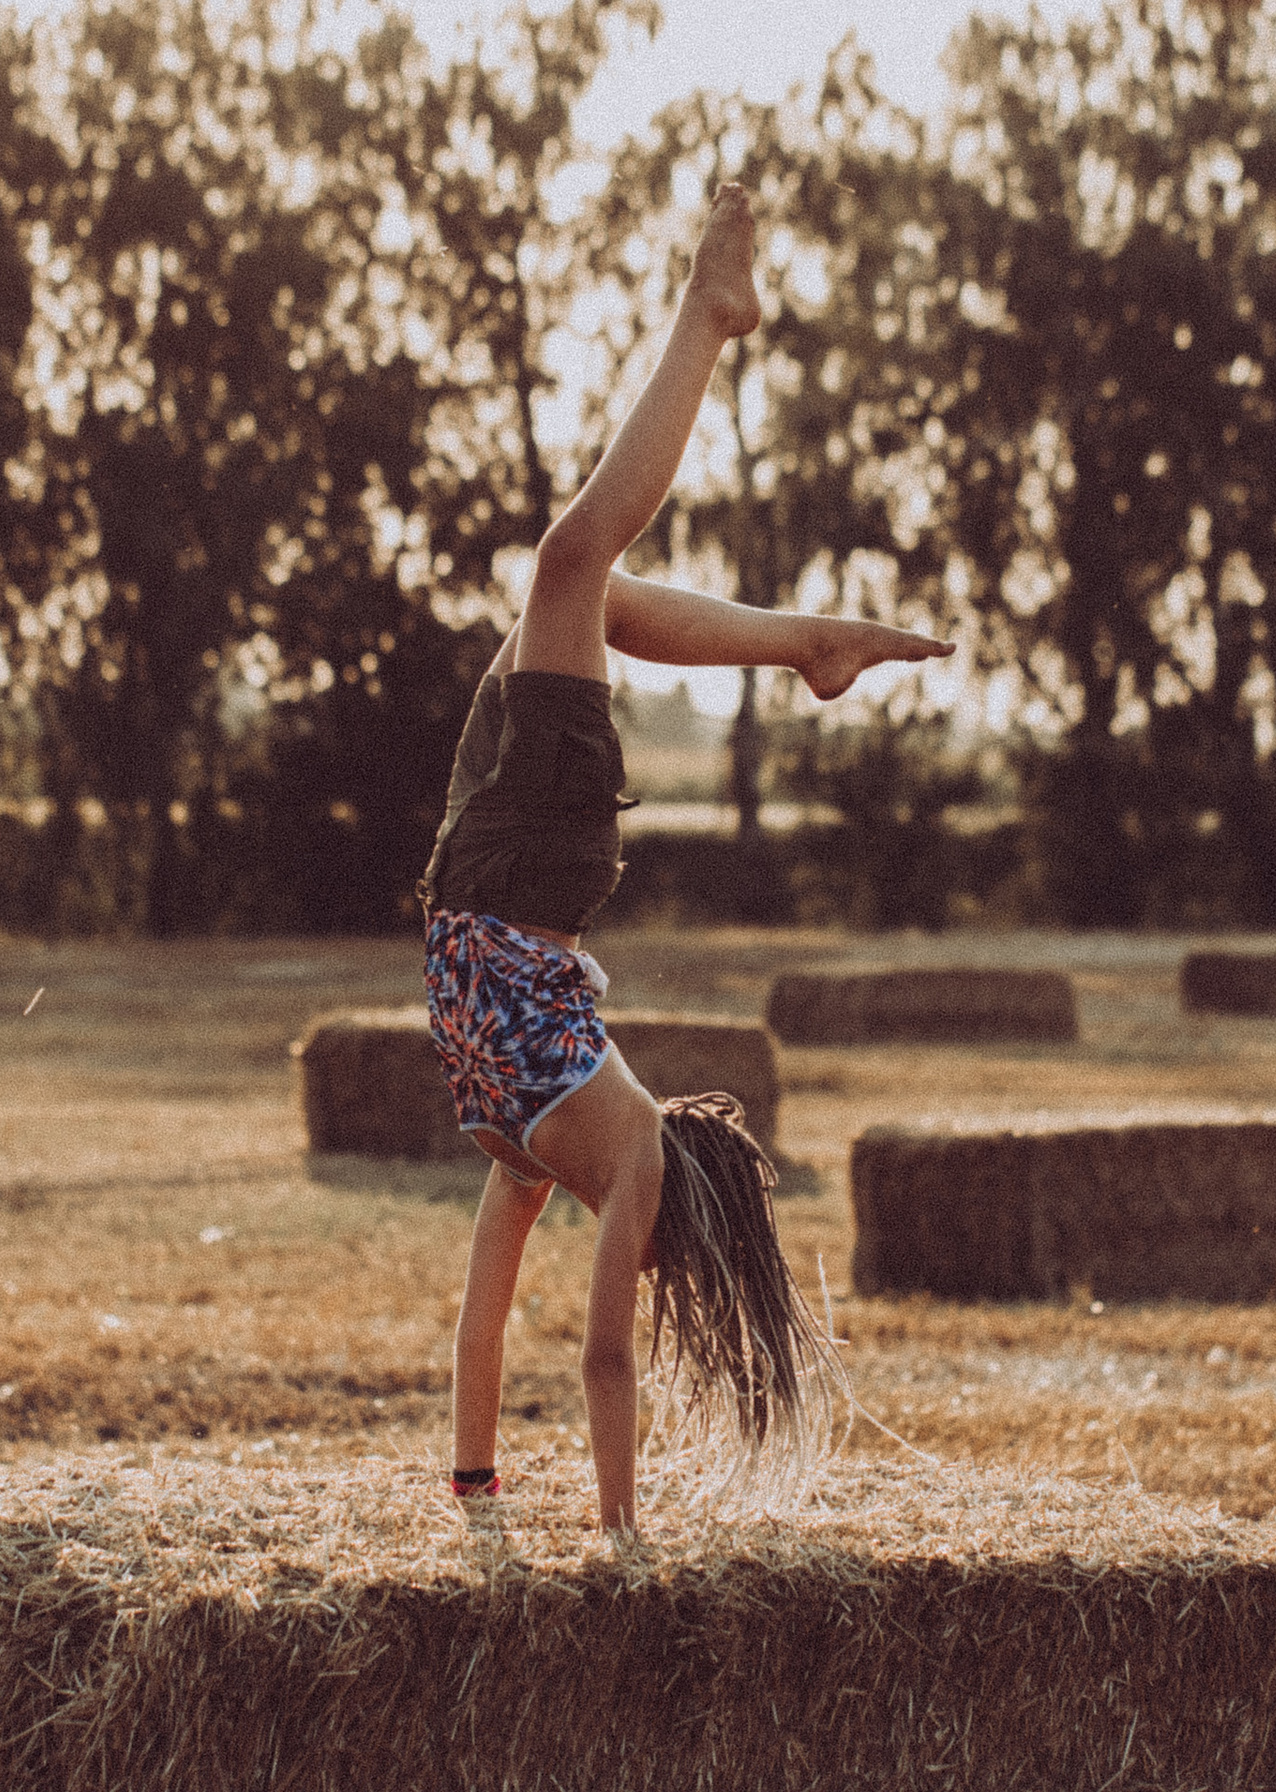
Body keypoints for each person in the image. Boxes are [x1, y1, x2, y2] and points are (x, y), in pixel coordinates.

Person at [419, 184, 951, 1533]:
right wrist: (619, 1542)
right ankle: (712, 321)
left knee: (585, 585)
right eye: (664, 1262)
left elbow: (483, 1315)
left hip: (494, 864)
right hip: (527, 866)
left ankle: (809, 641)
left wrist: (477, 1491)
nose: (642, 1271)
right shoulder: (634, 1149)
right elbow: (601, 1363)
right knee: (570, 558)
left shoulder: (526, 1143)